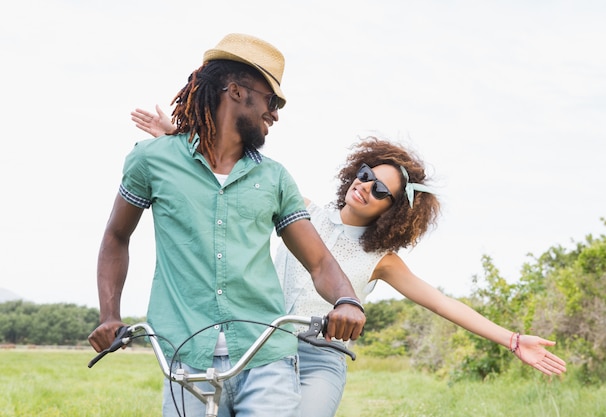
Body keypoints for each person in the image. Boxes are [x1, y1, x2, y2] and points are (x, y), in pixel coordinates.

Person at [134, 128, 567, 416]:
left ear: (391, 211)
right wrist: (173, 139)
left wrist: (512, 341)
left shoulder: (382, 259)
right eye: (365, 175)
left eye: (380, 190)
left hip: (321, 357)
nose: (365, 186)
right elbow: (244, 175)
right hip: (262, 346)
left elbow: (442, 303)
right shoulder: (302, 210)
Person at [88, 33, 366, 417]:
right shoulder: (151, 161)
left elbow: (319, 261)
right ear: (236, 92)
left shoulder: (275, 179)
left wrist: (346, 299)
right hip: (185, 356)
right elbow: (116, 237)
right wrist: (109, 315)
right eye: (272, 101)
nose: (276, 114)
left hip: (266, 357)